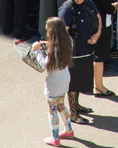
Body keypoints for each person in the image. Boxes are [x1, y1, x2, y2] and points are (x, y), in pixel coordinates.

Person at [32, 16, 77, 147]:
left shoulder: (54, 50)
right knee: (61, 105)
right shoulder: (68, 41)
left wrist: (37, 52)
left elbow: (45, 65)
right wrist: (47, 44)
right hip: (65, 79)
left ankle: (55, 137)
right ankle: (68, 130)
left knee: (52, 110)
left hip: (53, 83)